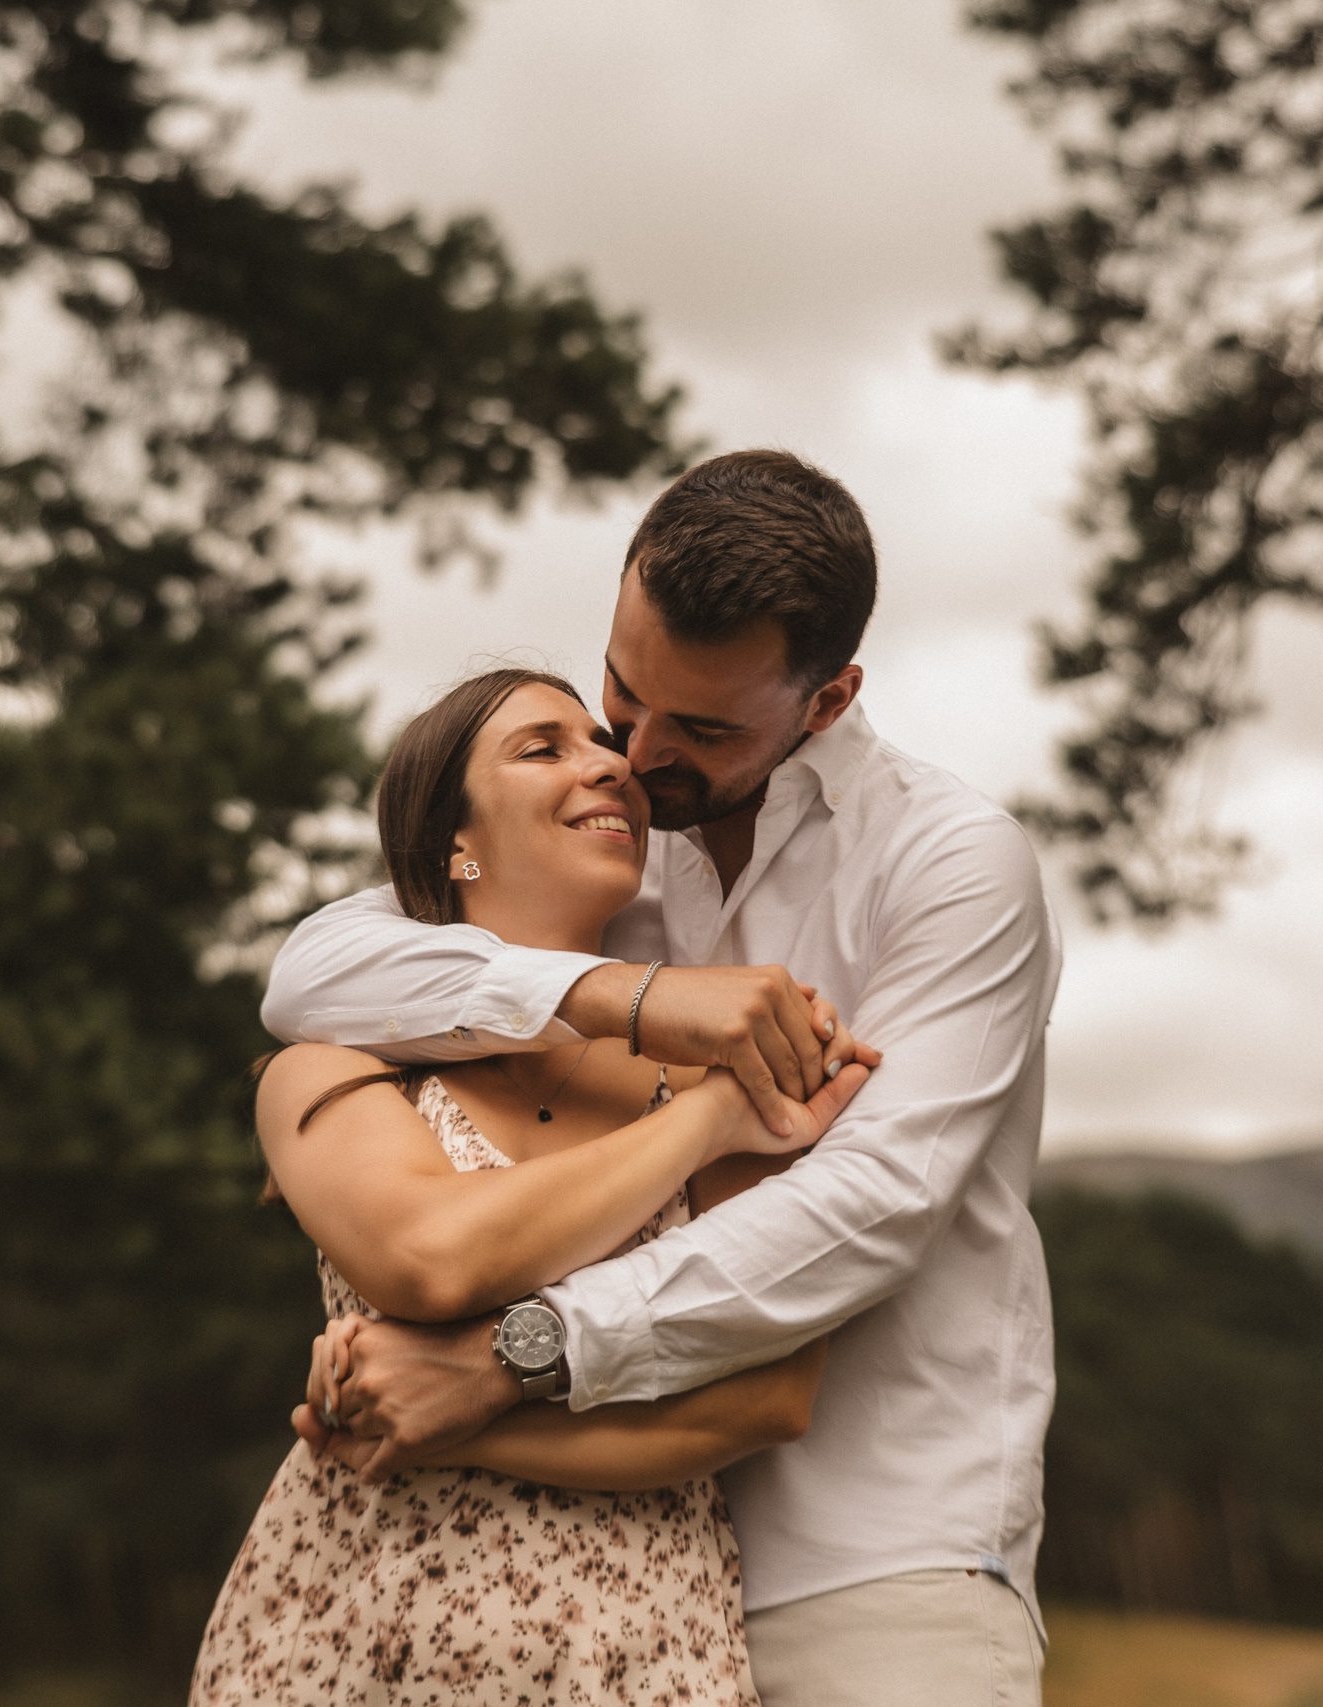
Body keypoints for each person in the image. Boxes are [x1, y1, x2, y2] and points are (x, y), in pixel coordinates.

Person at [262, 451, 1063, 1706]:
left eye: (699, 727)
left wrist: (511, 1359)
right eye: (619, 693)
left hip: (873, 1556)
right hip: (620, 1564)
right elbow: (317, 971)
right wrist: (633, 993)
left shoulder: (949, 865)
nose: (635, 750)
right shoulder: (617, 861)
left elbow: (864, 1212)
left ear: (828, 697)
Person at [191, 666, 878, 1705]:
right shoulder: (335, 1069)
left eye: (603, 746)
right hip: (354, 1638)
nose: (611, 762)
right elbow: (431, 1256)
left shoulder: (725, 1059)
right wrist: (699, 1126)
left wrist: (443, 1407)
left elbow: (762, 1395)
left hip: (635, 1654)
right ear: (449, 844)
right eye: (542, 747)